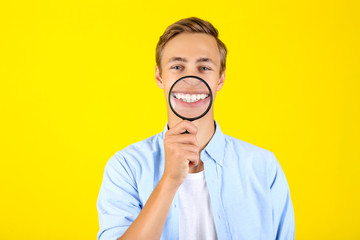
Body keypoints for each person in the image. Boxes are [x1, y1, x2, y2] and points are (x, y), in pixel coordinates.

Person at [97, 17, 295, 240]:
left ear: (220, 79)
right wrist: (169, 180)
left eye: (204, 67)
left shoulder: (263, 167)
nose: (190, 81)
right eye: (177, 67)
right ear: (159, 76)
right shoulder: (126, 167)